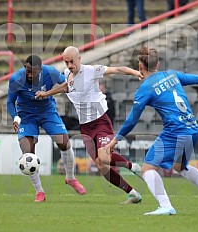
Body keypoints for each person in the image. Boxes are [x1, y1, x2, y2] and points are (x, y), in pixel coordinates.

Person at [105, 47, 198, 215]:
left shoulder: (144, 89)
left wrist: (115, 139)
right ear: (158, 64)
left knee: (147, 169)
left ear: (140, 66)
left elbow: (132, 119)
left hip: (175, 131)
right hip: (192, 128)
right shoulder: (171, 75)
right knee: (180, 167)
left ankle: (166, 206)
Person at [35, 46, 143, 204]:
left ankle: (132, 166)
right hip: (85, 127)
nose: (70, 65)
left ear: (79, 59)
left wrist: (135, 73)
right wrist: (46, 93)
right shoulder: (67, 74)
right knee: (101, 166)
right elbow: (66, 86)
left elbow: (117, 69)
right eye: (66, 62)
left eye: (72, 61)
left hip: (100, 121)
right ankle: (133, 193)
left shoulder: (91, 71)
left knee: (104, 157)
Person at [7, 55, 86, 202]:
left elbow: (68, 85)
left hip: (47, 112)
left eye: (33, 72)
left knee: (64, 143)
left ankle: (70, 178)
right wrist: (15, 117)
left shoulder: (51, 73)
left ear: (40, 70)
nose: (29, 74)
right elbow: (10, 102)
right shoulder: (16, 79)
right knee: (27, 153)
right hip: (26, 116)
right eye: (27, 71)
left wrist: (50, 93)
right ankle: (39, 192)